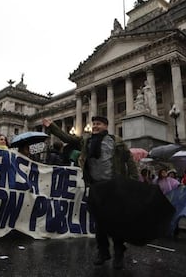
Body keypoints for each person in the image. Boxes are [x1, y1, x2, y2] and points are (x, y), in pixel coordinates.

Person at [43, 116, 139, 270]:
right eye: (93, 124)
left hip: (114, 185)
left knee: (116, 221)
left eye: (98, 124)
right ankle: (103, 252)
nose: (95, 126)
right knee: (99, 222)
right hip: (96, 186)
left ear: (106, 126)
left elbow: (130, 161)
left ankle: (119, 252)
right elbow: (67, 137)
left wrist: (134, 180)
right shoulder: (86, 141)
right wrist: (52, 126)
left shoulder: (117, 142)